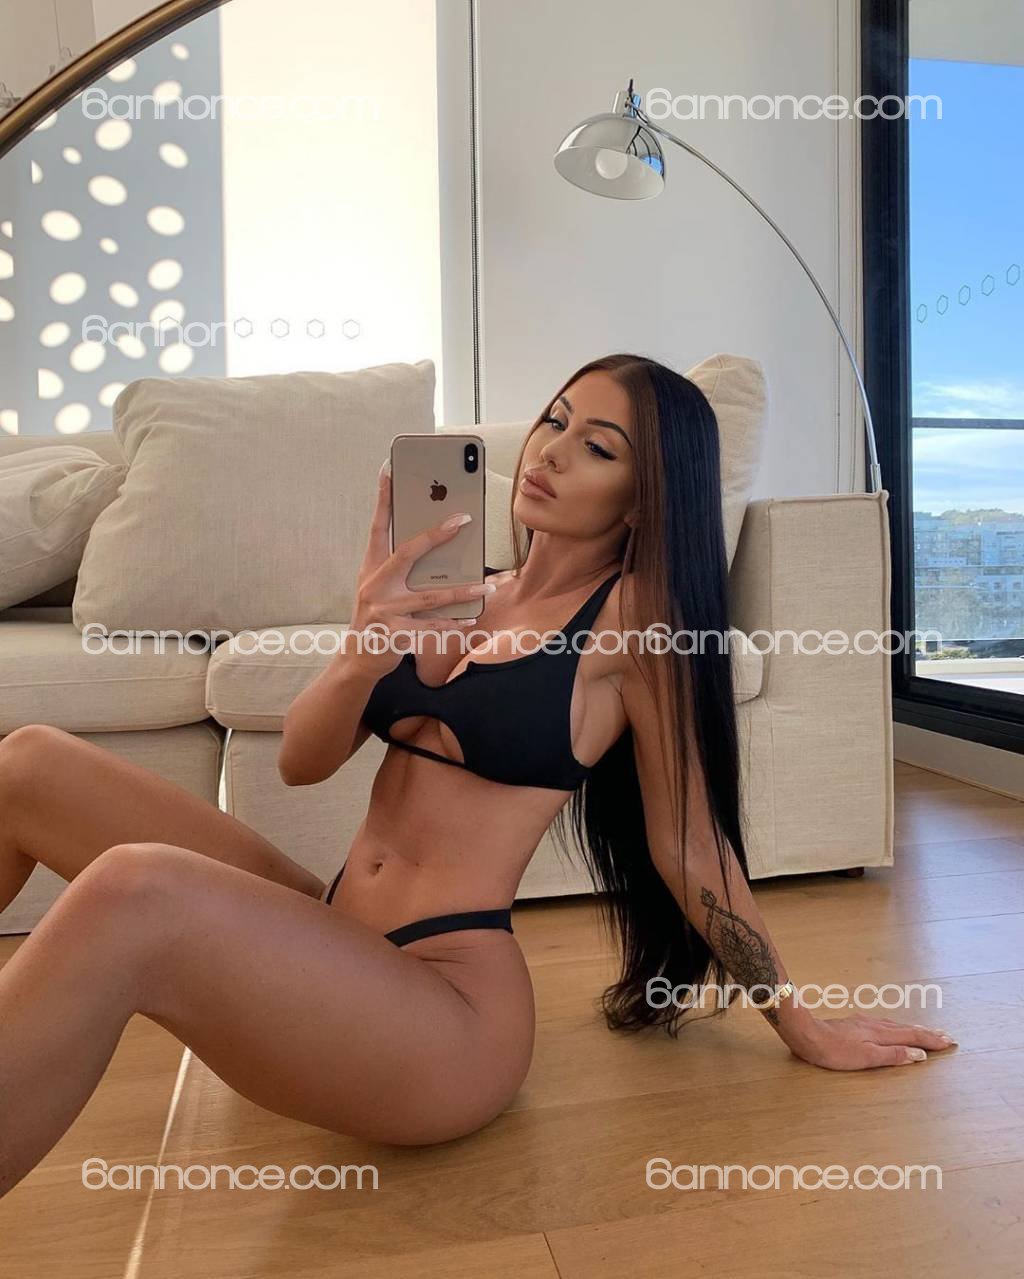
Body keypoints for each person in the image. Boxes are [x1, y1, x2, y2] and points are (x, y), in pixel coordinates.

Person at [0, 354, 954, 1198]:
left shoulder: (634, 622)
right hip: (338, 933)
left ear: (644, 497)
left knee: (134, 889)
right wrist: (362, 648)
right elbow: (300, 764)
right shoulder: (457, 591)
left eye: (598, 447)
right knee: (27, 761)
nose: (550, 452)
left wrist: (802, 1022)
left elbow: (691, 845)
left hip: (445, 1011)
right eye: (555, 421)